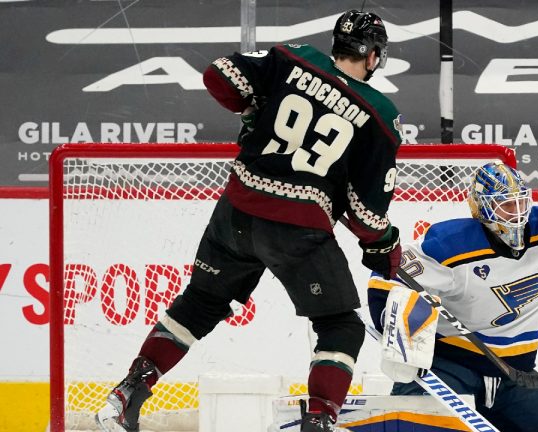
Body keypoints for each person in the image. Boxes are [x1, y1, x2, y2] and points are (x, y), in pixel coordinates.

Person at [96, 9, 403, 432]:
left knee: (201, 303)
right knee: (339, 326)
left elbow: (219, 75)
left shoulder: (294, 57)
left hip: (236, 212)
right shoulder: (379, 116)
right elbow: (366, 215)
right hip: (297, 231)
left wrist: (254, 106)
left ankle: (126, 394)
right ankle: (319, 421)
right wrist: (383, 245)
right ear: (373, 56)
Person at [367, 155, 538, 432]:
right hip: (450, 366)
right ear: (482, 209)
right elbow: (386, 278)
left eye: (521, 201)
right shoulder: (450, 244)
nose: (517, 211)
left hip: (514, 375)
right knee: (418, 423)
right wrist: (401, 334)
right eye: (506, 204)